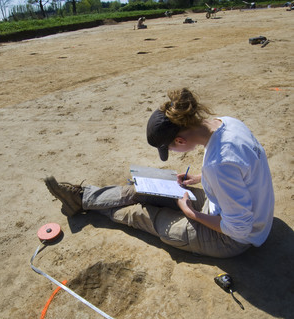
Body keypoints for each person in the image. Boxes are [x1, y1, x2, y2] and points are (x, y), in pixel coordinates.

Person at [44, 88, 274, 258]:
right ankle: (82, 197)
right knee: (141, 190)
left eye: (171, 148)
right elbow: (242, 171)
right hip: (229, 208)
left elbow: (239, 228)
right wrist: (200, 179)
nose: (173, 151)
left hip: (233, 239)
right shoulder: (228, 123)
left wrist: (191, 214)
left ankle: (88, 207)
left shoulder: (218, 165)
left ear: (180, 139)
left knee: (141, 215)